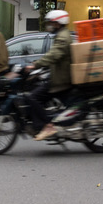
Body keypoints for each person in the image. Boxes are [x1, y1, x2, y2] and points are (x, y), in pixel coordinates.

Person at [28, 10, 73, 140]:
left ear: (58, 23)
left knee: (33, 97)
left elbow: (54, 55)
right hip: (58, 75)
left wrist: (35, 65)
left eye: (51, 23)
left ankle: (48, 125)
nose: (49, 26)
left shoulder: (63, 37)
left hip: (60, 79)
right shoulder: (61, 35)